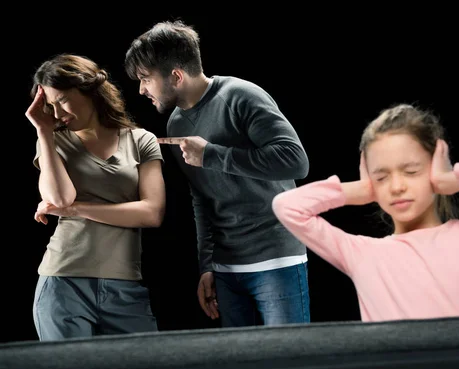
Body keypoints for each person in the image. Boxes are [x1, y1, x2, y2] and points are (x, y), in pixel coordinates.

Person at [272, 104, 459, 323]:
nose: (397, 187)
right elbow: (287, 206)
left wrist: (451, 178)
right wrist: (358, 191)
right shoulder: (361, 253)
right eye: (382, 176)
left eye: (411, 172)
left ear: (435, 165)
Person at [123, 20, 311, 327]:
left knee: (289, 363)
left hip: (276, 261)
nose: (141, 89)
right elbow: (202, 198)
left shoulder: (241, 95)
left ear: (176, 76)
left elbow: (296, 161)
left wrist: (211, 154)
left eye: (145, 79)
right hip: (226, 270)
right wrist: (207, 265)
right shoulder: (176, 125)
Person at [26, 54, 166, 340]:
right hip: (63, 283)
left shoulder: (141, 140)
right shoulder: (54, 141)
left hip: (125, 285)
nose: (55, 114)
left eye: (61, 100)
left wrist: (77, 210)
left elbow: (152, 213)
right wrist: (43, 132)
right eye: (49, 106)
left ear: (89, 91)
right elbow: (59, 198)